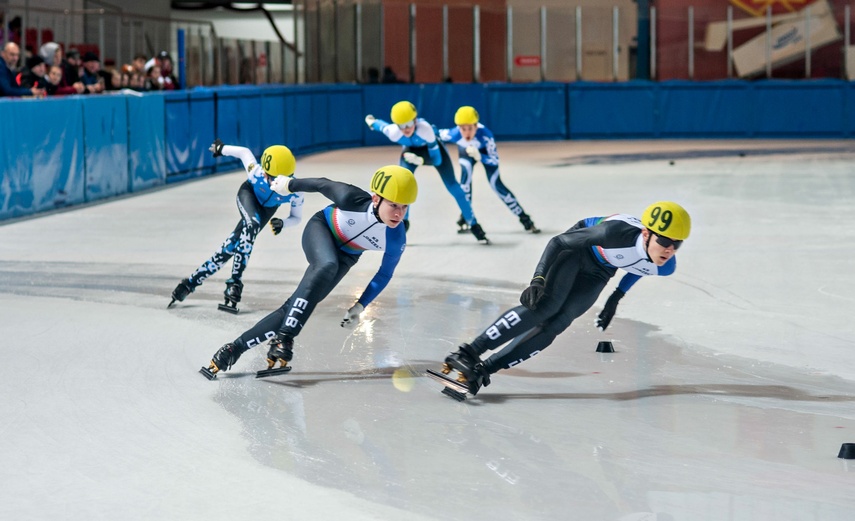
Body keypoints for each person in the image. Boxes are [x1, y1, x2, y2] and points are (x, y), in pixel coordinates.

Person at [433, 201, 691, 397]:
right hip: (577, 248)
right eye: (664, 241)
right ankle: (468, 353)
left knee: (558, 323)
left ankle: (484, 370)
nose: (670, 249)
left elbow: (641, 266)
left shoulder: (665, 264)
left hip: (601, 270)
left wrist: (616, 296)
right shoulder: (614, 233)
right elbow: (558, 242)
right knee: (545, 307)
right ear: (646, 234)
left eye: (677, 244)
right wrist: (538, 280)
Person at [200, 165, 418, 378]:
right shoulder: (352, 198)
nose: (399, 214)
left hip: (347, 256)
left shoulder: (396, 238)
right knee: (326, 265)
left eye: (404, 207)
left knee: (300, 302)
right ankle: (285, 337)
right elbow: (321, 184)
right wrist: (289, 184)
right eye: (393, 205)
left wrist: (361, 305)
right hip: (322, 229)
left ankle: (233, 349)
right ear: (376, 199)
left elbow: (384, 274)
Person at [169, 140, 305, 312]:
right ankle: (235, 281)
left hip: (265, 210)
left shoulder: (296, 192)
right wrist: (221, 149)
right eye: (266, 175)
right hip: (248, 195)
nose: (267, 179)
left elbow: (296, 217)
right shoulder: (256, 173)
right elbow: (244, 152)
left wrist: (284, 223)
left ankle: (190, 283)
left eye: (272, 178)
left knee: (230, 247)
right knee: (252, 225)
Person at [365, 100, 490, 243]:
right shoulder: (393, 132)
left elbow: (437, 161)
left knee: (454, 187)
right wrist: (372, 122)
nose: (406, 129)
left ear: (415, 120)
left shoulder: (426, 129)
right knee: (401, 189)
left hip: (432, 153)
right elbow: (381, 126)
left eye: (409, 124)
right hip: (410, 153)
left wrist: (421, 160)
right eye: (401, 125)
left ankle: (474, 225)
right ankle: (402, 225)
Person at [438, 106, 540, 235]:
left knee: (496, 184)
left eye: (470, 128)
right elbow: (432, 134)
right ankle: (465, 217)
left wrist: (480, 156)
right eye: (463, 129)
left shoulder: (486, 135)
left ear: (476, 126)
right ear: (458, 128)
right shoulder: (453, 134)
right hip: (466, 152)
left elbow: (494, 160)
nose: (467, 133)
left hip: (485, 153)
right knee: (465, 181)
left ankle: (524, 218)